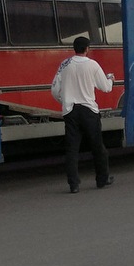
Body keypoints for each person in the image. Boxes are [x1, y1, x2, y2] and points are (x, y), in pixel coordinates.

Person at [51, 35, 114, 192]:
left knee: (72, 149)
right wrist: (110, 79)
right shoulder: (92, 65)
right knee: (97, 146)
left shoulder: (64, 64)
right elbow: (106, 87)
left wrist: (64, 100)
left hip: (70, 111)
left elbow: (54, 90)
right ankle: (102, 179)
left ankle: (73, 184)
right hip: (89, 111)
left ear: (74, 48)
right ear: (87, 49)